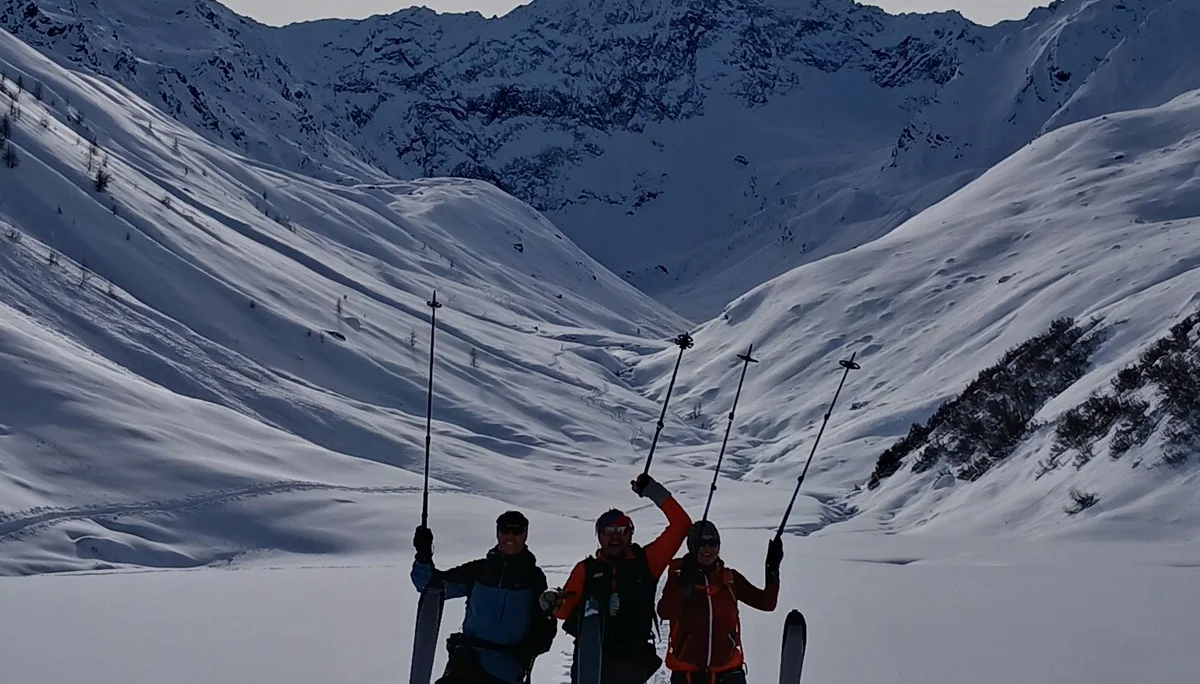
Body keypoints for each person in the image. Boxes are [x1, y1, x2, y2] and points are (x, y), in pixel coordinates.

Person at [540, 473, 692, 684]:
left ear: (631, 533)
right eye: (608, 531)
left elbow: (682, 525)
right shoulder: (586, 570)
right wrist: (554, 601)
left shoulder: (647, 562)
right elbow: (565, 610)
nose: (615, 537)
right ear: (599, 535)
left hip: (632, 667)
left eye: (621, 531)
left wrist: (653, 490)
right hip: (591, 666)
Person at [412, 510, 557, 684]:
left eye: (517, 530)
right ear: (498, 533)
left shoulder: (534, 579)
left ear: (525, 534)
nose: (511, 536)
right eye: (505, 530)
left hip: (506, 669)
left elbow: (543, 625)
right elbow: (429, 588)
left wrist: (532, 647)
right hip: (466, 662)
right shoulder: (479, 571)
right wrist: (423, 556)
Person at [656, 521, 784, 684]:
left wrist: (772, 568)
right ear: (692, 546)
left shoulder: (729, 579)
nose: (707, 549)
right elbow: (665, 611)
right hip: (688, 675)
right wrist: (682, 583)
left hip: (728, 673)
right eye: (701, 544)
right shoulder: (680, 576)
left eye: (713, 543)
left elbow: (766, 603)